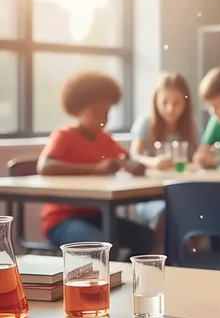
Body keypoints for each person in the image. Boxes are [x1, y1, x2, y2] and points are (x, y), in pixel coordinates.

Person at [38, 71, 154, 258]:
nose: (103, 119)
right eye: (96, 112)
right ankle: (108, 276)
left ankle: (122, 272)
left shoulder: (105, 139)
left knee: (146, 237)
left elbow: (128, 158)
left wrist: (133, 165)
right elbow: (45, 167)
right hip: (62, 219)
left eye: (106, 112)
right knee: (102, 246)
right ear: (78, 108)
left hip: (97, 215)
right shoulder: (64, 136)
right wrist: (95, 169)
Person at [130, 72, 199, 251]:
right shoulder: (146, 124)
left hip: (182, 194)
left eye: (177, 103)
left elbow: (197, 159)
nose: (170, 109)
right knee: (166, 212)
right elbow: (133, 156)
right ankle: (158, 257)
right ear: (155, 101)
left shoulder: (190, 128)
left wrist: (201, 158)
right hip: (150, 197)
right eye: (165, 103)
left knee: (194, 210)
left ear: (186, 103)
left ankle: (187, 259)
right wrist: (153, 162)